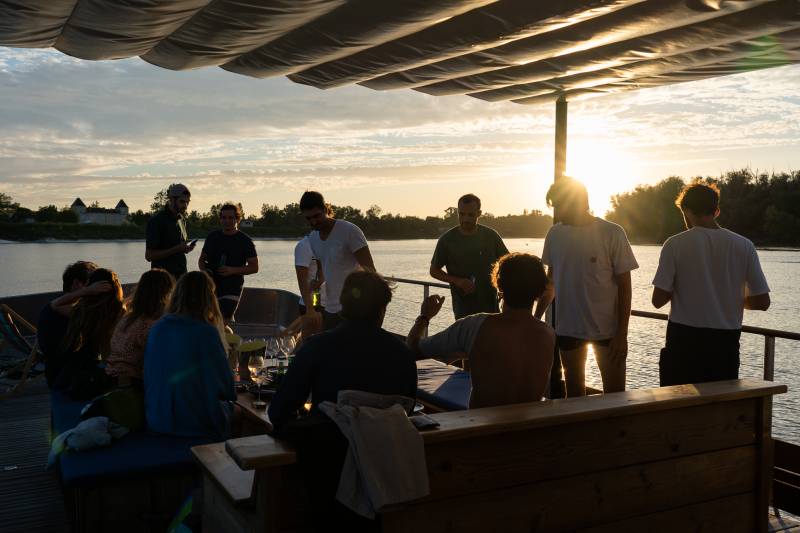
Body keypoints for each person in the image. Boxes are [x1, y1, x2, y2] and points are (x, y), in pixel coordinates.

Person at [652, 180, 770, 386]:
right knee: (720, 410)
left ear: (687, 211)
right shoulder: (744, 245)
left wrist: (691, 293)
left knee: (675, 409)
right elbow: (762, 301)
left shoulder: (674, 244)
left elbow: (658, 300)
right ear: (716, 211)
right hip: (725, 345)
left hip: (683, 341)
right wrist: (726, 299)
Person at [268, 270, 416, 433]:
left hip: (330, 451)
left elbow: (278, 412)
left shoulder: (316, 347)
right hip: (384, 450)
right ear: (382, 310)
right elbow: (407, 409)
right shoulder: (403, 354)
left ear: (342, 305)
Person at [534, 177, 638, 397]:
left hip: (608, 330)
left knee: (616, 395)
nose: (557, 212)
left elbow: (625, 287)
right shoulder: (555, 234)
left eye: (560, 205)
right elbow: (550, 283)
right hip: (566, 329)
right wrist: (534, 320)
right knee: (573, 394)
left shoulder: (612, 232)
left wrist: (622, 334)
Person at [409, 253, 554, 408]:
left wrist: (424, 316)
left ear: (499, 285)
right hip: (528, 429)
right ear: (539, 291)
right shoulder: (547, 334)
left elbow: (413, 350)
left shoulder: (475, 326)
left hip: (482, 428)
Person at [144, 271, 235, 441]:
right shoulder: (206, 332)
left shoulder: (158, 328)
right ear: (208, 298)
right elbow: (227, 388)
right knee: (244, 416)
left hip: (156, 418)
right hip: (191, 425)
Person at [300, 191, 375, 331]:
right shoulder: (313, 238)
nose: (313, 222)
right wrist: (319, 281)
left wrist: (371, 307)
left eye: (317, 216)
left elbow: (371, 271)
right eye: (308, 218)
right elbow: (323, 265)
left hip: (355, 308)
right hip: (330, 308)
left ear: (325, 209)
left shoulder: (349, 231)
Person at [430, 194, 509, 319]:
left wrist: (504, 288)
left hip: (492, 310)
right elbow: (434, 271)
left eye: (470, 215)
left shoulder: (491, 236)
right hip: (463, 312)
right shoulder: (446, 240)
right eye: (461, 214)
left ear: (479, 213)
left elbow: (508, 264)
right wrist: (458, 281)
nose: (465, 219)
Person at [53, 268, 125, 398]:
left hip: (77, 372)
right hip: (108, 370)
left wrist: (85, 291)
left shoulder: (83, 311)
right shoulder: (119, 311)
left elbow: (55, 305)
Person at [105, 269, 175, 384]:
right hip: (129, 382)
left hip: (110, 375)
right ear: (165, 294)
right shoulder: (152, 325)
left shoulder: (128, 318)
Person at [37, 260, 101, 386]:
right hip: (68, 380)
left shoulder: (54, 304)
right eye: (92, 284)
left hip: (62, 376)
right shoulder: (62, 308)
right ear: (77, 283)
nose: (95, 289)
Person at [198, 202, 259, 323]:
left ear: (237, 219)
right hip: (211, 286)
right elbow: (201, 260)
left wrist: (233, 270)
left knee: (225, 318)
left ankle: (229, 338)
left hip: (233, 286)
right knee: (209, 319)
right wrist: (204, 273)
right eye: (224, 218)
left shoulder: (245, 241)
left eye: (231, 218)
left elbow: (254, 267)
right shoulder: (212, 237)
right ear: (220, 219)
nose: (227, 221)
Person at [145, 183, 195, 279]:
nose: (185, 205)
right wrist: (177, 249)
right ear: (171, 200)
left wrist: (186, 248)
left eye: (187, 202)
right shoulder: (156, 221)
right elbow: (149, 256)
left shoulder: (182, 220)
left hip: (181, 276)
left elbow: (179, 247)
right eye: (182, 201)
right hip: (162, 280)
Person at [294, 235, 326, 339]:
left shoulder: (331, 242)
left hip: (330, 304)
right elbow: (301, 279)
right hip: (313, 303)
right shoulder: (304, 245)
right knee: (310, 343)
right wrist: (310, 309)